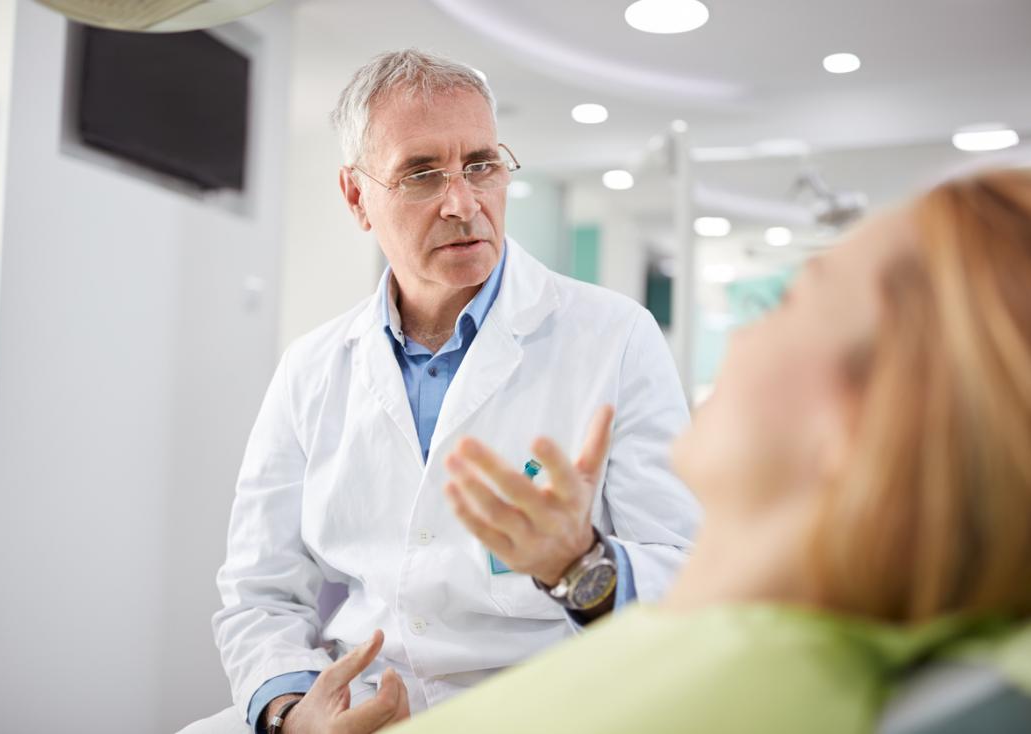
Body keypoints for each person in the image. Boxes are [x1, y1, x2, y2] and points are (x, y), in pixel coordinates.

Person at [384, 169, 1031, 733]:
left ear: (863, 419)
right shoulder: (765, 651)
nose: (742, 333)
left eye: (794, 299)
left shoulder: (720, 693)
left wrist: (582, 564)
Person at [198, 49, 700, 734]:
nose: (463, 203)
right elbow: (260, 592)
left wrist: (582, 563)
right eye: (421, 173)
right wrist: (292, 712)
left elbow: (687, 570)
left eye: (482, 165)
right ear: (356, 197)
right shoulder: (311, 368)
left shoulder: (613, 337)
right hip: (360, 704)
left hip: (547, 706)